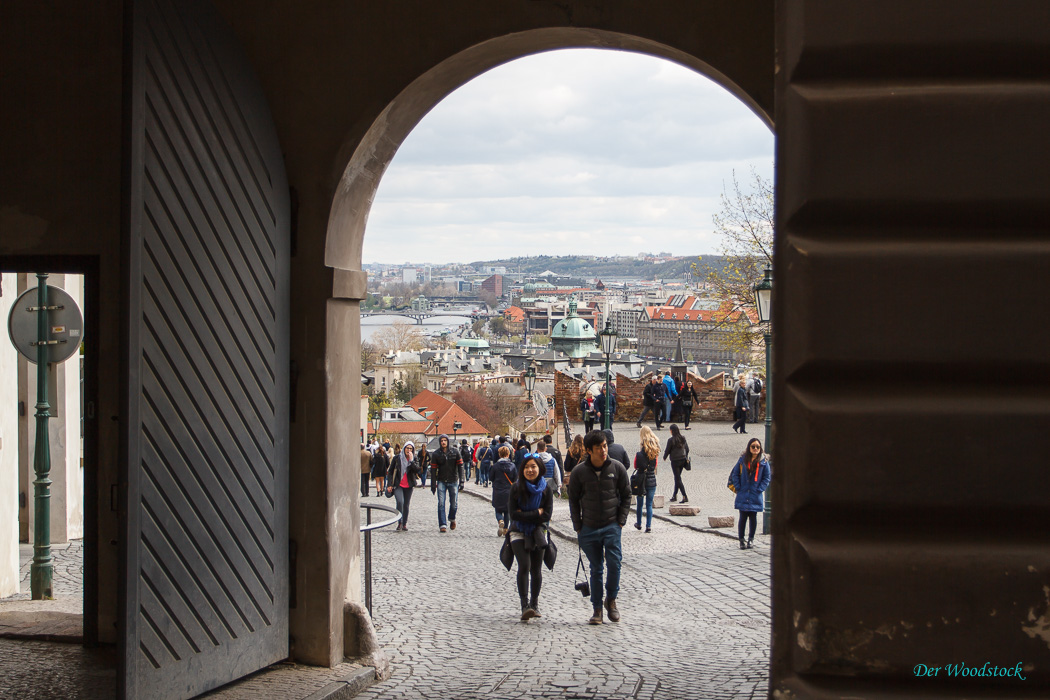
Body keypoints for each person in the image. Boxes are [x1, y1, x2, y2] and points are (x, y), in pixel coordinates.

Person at [567, 429, 631, 625]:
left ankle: (611, 600)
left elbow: (626, 494)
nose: (604, 451)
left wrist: (621, 521)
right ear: (589, 450)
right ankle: (597, 609)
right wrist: (578, 526)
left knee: (614, 563)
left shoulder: (616, 468)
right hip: (589, 527)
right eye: (599, 448)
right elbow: (573, 500)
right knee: (596, 568)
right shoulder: (580, 472)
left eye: (604, 446)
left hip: (612, 524)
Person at [507, 455, 554, 621]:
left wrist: (527, 515)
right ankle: (524, 605)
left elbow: (547, 514)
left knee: (536, 568)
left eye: (533, 466)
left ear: (539, 468)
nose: (530, 470)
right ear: (522, 470)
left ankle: (534, 603)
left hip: (538, 532)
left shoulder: (546, 489)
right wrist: (536, 513)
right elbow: (513, 515)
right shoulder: (516, 488)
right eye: (526, 467)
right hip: (518, 531)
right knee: (524, 565)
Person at [729, 438, 771, 549]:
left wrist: (760, 488)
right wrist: (738, 487)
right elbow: (735, 474)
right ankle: (741, 539)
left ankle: (751, 539)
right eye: (753, 446)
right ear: (749, 448)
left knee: (753, 517)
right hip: (743, 492)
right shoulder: (742, 460)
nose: (755, 449)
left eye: (757, 447)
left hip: (755, 493)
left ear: (760, 448)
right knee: (742, 517)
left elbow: (767, 477)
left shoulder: (763, 462)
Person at [430, 434, 464, 532]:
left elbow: (460, 467)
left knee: (454, 504)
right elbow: (433, 470)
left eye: (445, 440)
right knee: (441, 503)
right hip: (441, 480)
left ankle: (452, 518)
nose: (443, 442)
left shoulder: (455, 452)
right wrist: (433, 484)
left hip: (453, 480)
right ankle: (442, 524)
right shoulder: (436, 454)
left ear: (448, 441)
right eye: (442, 441)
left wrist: (462, 481)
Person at [386, 442, 420, 531]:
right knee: (400, 502)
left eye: (410, 449)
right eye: (407, 448)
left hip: (409, 484)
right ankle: (399, 522)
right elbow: (390, 472)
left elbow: (417, 470)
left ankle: (404, 523)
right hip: (398, 484)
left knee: (406, 505)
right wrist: (389, 484)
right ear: (404, 448)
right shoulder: (397, 458)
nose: (409, 450)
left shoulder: (414, 458)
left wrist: (411, 461)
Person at [633, 426, 659, 533]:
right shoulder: (655, 453)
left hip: (641, 481)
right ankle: (648, 526)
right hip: (652, 480)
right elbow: (655, 466)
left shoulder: (639, 454)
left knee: (639, 503)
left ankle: (639, 523)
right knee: (649, 504)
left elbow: (635, 466)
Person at [490, 445, 517, 536]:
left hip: (498, 490)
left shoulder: (495, 466)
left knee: (498, 509)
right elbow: (515, 479)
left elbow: (491, 477)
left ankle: (500, 520)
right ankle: (505, 529)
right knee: (507, 511)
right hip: (509, 490)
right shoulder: (512, 466)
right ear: (508, 454)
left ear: (499, 454)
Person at [663, 424, 690, 503]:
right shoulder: (683, 438)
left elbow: (667, 450)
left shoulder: (671, 440)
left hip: (675, 461)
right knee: (677, 478)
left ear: (672, 430)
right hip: (682, 460)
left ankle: (684, 496)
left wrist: (664, 457)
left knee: (678, 479)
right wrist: (685, 456)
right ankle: (674, 495)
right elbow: (687, 449)